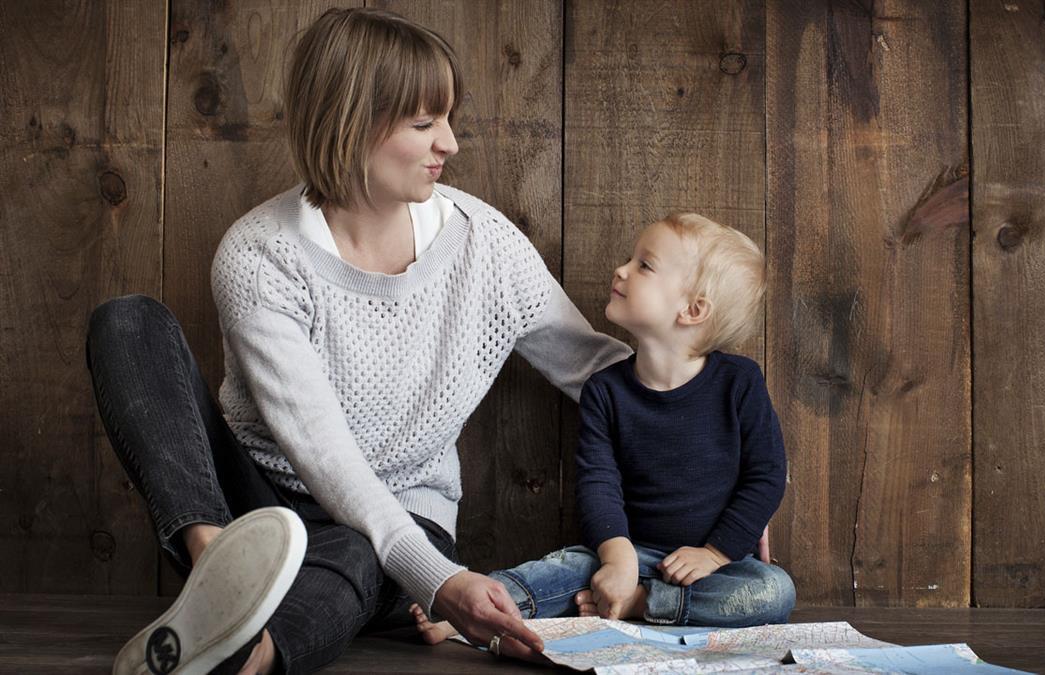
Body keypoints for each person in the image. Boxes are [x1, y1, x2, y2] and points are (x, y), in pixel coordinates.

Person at [88, 7, 631, 674]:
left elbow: (598, 371)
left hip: (403, 520)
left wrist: (730, 423)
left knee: (356, 547)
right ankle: (218, 574)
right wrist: (441, 584)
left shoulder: (485, 245)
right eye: (424, 123)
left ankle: (247, 653)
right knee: (127, 322)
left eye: (448, 119)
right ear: (350, 122)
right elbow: (320, 448)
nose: (450, 143)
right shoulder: (260, 254)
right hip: (252, 506)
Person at [411, 213, 795, 646]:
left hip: (713, 568)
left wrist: (715, 553)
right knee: (563, 568)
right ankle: (472, 609)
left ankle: (642, 604)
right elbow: (598, 483)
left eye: (644, 265)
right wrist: (617, 557)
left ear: (693, 310)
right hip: (628, 550)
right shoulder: (606, 390)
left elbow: (766, 475)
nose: (622, 270)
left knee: (774, 591)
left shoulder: (739, 383)